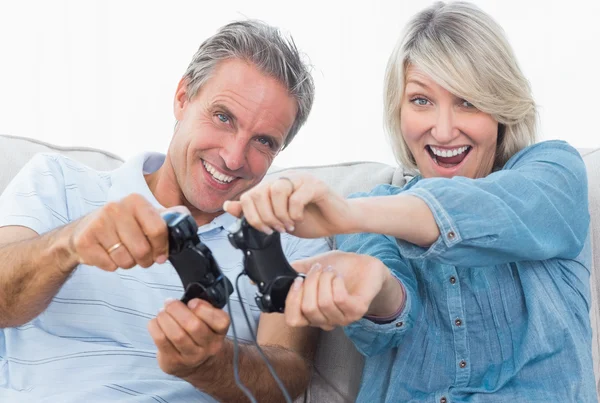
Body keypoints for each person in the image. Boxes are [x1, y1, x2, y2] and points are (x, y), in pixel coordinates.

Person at [224, 2, 595, 401]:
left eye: (468, 101)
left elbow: (494, 209)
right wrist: (375, 284)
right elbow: (389, 319)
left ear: (500, 108)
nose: (444, 128)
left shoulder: (553, 173)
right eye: (421, 100)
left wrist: (347, 215)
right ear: (398, 110)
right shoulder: (371, 208)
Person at [0, 20, 330, 402]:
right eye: (223, 117)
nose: (233, 157)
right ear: (183, 96)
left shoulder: (289, 234)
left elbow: (287, 380)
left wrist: (211, 364)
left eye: (263, 141)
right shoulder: (57, 182)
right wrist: (68, 245)